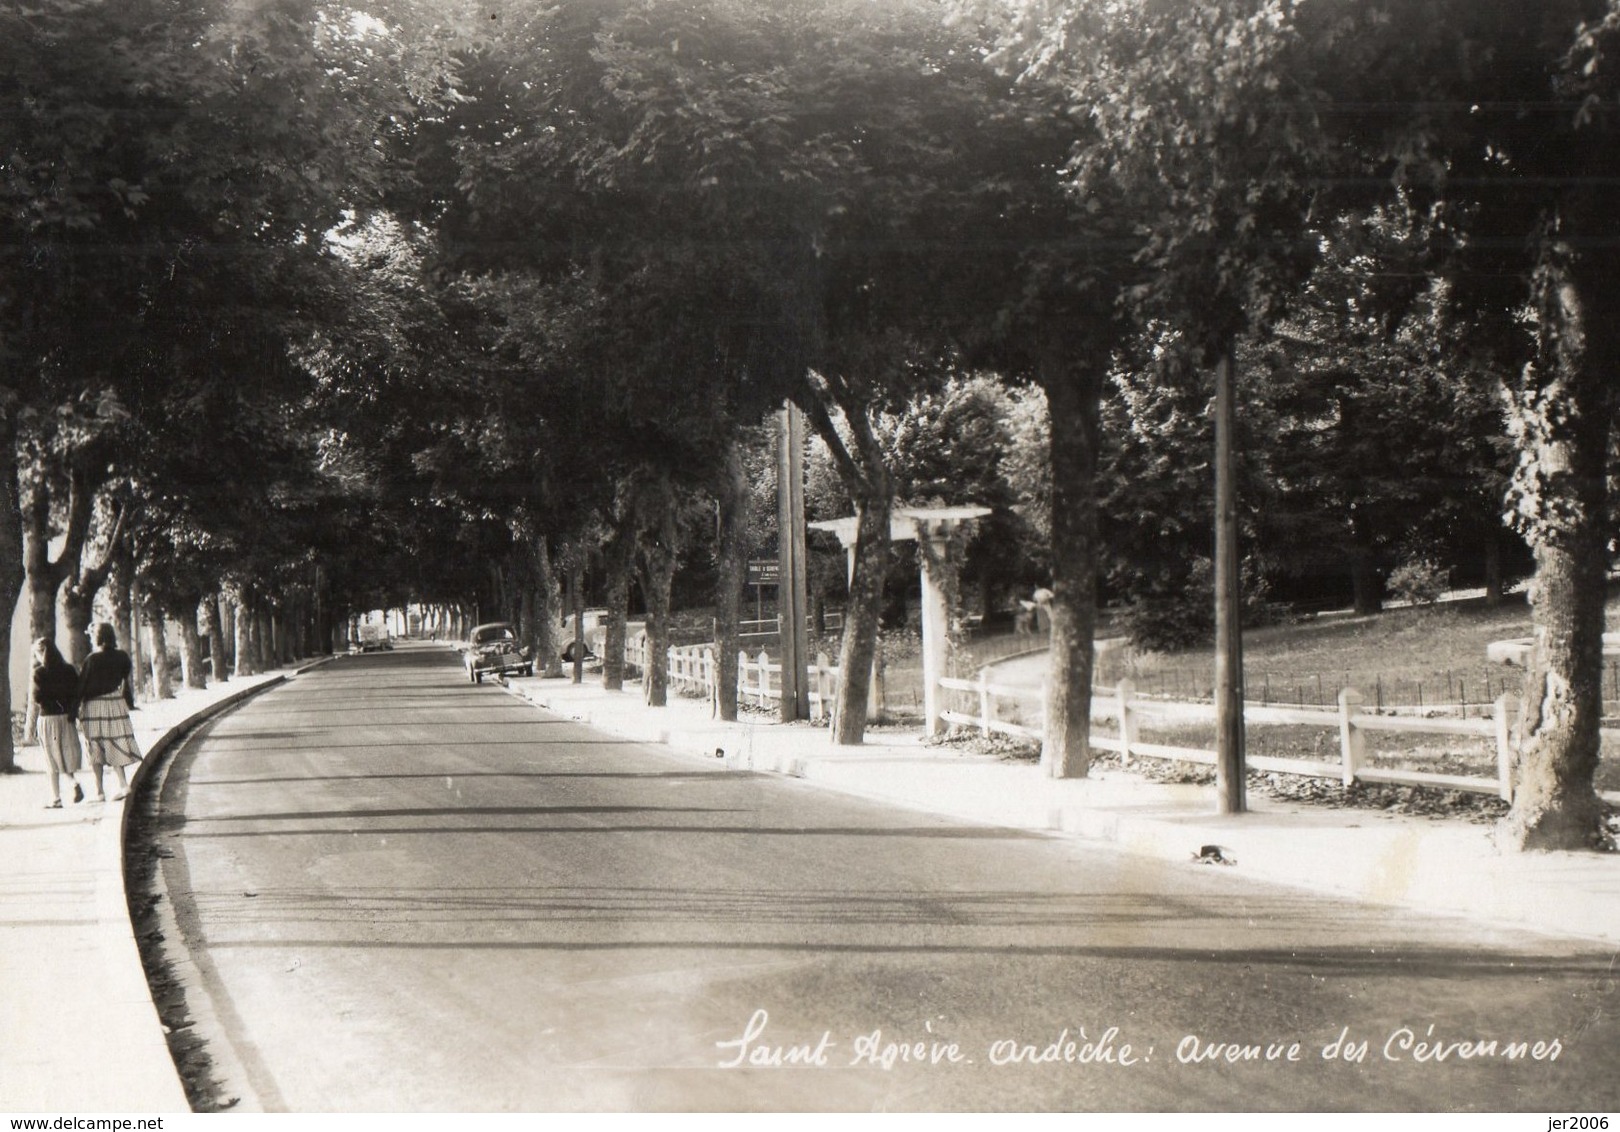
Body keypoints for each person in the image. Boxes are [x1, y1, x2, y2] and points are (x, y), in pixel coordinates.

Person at [77, 622, 142, 802]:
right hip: (115, 702)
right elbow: (125, 674)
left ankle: (99, 791)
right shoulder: (121, 656)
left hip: (94, 706)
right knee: (115, 742)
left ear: (96, 637)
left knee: (95, 746)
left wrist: (73, 711)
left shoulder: (91, 659)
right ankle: (123, 783)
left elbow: (81, 687)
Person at [24, 638, 84, 809]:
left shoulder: (39, 673)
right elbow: (76, 693)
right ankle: (73, 782)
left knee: (51, 758)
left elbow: (37, 698)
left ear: (40, 653)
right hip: (66, 717)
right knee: (64, 754)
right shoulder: (69, 670)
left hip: (48, 719)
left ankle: (56, 798)